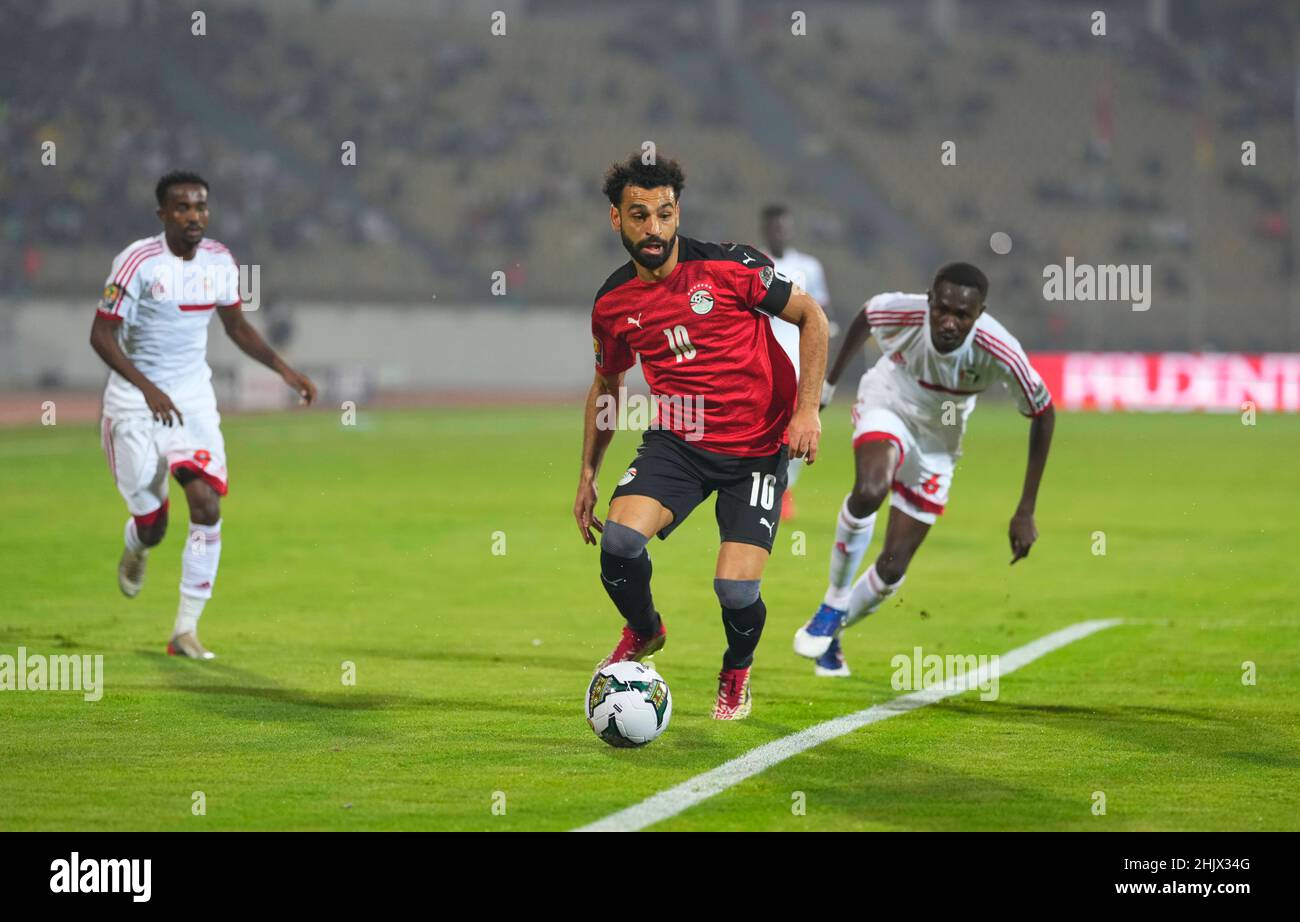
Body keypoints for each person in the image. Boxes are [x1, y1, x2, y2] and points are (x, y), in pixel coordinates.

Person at [574, 153, 829, 718]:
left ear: (677, 212)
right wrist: (589, 473)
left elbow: (812, 316)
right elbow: (608, 384)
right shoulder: (613, 303)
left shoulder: (730, 266)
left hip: (758, 448)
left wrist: (806, 411)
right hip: (679, 439)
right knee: (618, 543)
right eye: (639, 216)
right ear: (616, 220)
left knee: (735, 592)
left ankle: (736, 669)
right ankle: (644, 631)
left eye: (665, 214)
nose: (654, 229)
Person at [90, 171, 317, 659]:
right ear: (163, 215)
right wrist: (146, 388)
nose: (194, 216)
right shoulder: (137, 262)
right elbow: (101, 336)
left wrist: (285, 370)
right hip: (134, 402)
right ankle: (137, 546)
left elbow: (236, 326)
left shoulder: (220, 261)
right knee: (154, 522)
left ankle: (185, 630)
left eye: (200, 208)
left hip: (190, 399)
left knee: (206, 505)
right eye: (182, 208)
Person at [794, 263, 1054, 677]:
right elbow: (866, 315)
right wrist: (827, 387)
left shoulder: (999, 348)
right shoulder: (902, 310)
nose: (950, 322)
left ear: (980, 314)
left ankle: (833, 631)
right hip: (890, 400)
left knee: (893, 567)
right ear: (930, 301)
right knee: (871, 489)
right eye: (942, 309)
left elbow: (1043, 413)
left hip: (940, 438)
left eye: (963, 315)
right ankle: (833, 601)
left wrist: (1026, 509)